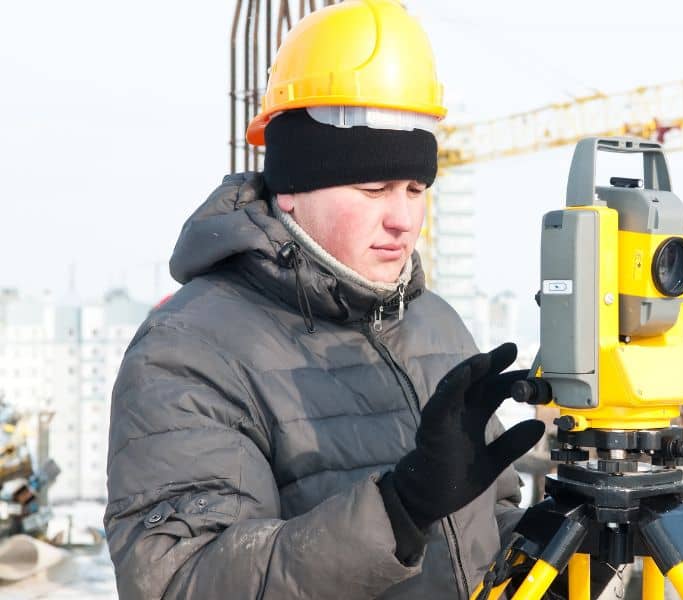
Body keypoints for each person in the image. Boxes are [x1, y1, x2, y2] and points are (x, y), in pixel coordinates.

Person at [102, 1, 546, 598]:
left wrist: (565, 542)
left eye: (417, 189)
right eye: (372, 188)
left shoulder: (433, 323)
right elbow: (182, 580)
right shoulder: (189, 351)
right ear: (291, 189)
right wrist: (398, 510)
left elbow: (482, 539)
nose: (402, 219)